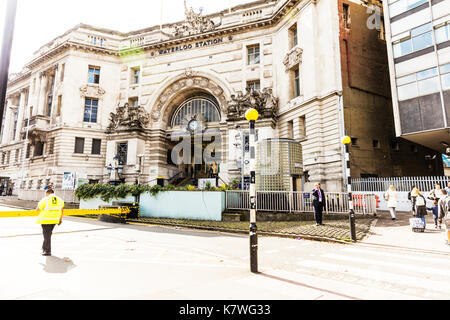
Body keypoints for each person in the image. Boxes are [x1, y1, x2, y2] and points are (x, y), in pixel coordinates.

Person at [36, 185, 64, 256]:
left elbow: (37, 209)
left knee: (46, 235)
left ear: (47, 192)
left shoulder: (45, 199)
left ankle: (47, 251)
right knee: (48, 234)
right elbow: (61, 210)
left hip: (46, 220)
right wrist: (60, 219)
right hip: (55, 220)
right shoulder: (60, 200)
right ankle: (44, 247)